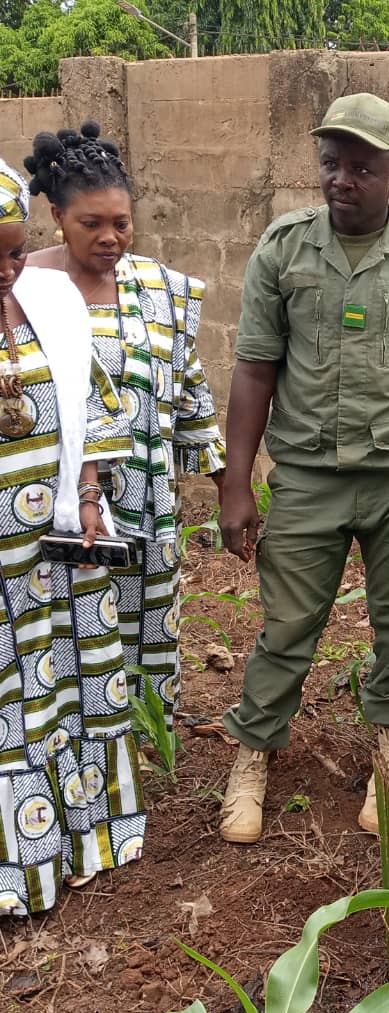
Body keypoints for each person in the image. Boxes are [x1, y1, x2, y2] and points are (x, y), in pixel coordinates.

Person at [217, 93, 389, 844]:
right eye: (331, 163)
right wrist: (234, 482)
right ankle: (254, 753)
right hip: (306, 477)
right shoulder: (284, 249)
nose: (342, 179)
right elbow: (255, 368)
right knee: (287, 627)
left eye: (362, 166)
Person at [23, 121, 226, 731]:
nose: (111, 238)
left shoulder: (157, 288)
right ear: (57, 215)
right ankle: (63, 736)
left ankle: (131, 739)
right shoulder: (26, 288)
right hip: (52, 499)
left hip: (146, 494)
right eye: (92, 224)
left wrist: (226, 482)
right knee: (61, 621)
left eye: (122, 223)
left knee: (139, 621)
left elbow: (188, 386)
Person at [0, 160, 143, 913]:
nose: (8, 270)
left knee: (72, 686)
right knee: (10, 701)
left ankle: (84, 838)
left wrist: (89, 496)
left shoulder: (49, 299)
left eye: (15, 252)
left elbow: (94, 405)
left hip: (58, 545)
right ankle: (18, 871)